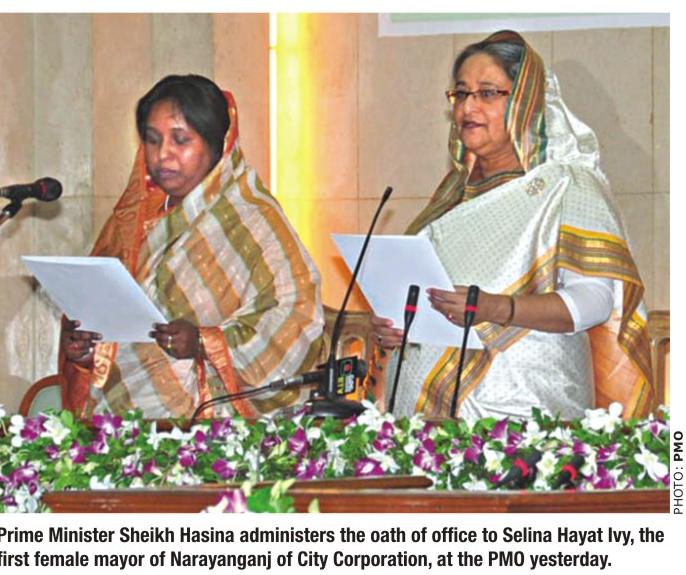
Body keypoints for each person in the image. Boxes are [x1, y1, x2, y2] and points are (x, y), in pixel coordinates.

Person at [371, 30, 653, 421]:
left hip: (520, 405)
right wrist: (399, 326)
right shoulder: (452, 194)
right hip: (423, 411)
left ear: (525, 101)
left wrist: (495, 307)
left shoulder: (566, 185)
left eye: (487, 93)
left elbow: (594, 302)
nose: (468, 106)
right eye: (461, 93)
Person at [59, 74, 325, 419]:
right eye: (152, 140)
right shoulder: (132, 222)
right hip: (121, 420)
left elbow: (297, 315)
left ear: (217, 145)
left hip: (211, 429)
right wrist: (86, 352)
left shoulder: (250, 217)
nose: (162, 155)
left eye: (181, 140)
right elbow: (111, 321)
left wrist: (204, 342)